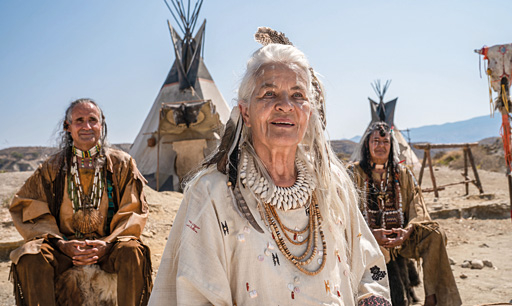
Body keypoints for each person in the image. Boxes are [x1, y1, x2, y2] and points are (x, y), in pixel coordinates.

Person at [149, 28, 391, 305]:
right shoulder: (213, 194)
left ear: (309, 112)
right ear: (245, 112)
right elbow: (195, 293)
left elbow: (367, 267)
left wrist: (371, 298)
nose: (285, 105)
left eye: (298, 95)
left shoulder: (331, 185)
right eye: (268, 93)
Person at [9, 98, 152, 306]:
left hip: (110, 246)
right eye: (79, 120)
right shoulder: (52, 166)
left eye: (92, 120)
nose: (87, 126)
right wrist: (61, 243)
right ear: (68, 127)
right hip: (64, 247)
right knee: (30, 256)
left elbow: (134, 211)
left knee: (133, 252)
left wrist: (107, 243)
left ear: (101, 125)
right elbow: (29, 207)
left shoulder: (122, 163)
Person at [349, 121, 461, 306]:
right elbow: (347, 213)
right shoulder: (354, 174)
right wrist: (370, 235)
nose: (380, 146)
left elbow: (417, 207)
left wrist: (407, 231)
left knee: (435, 234)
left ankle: (434, 298)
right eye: (375, 141)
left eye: (385, 142)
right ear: (367, 145)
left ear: (391, 146)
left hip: (402, 239)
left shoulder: (403, 174)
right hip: (367, 241)